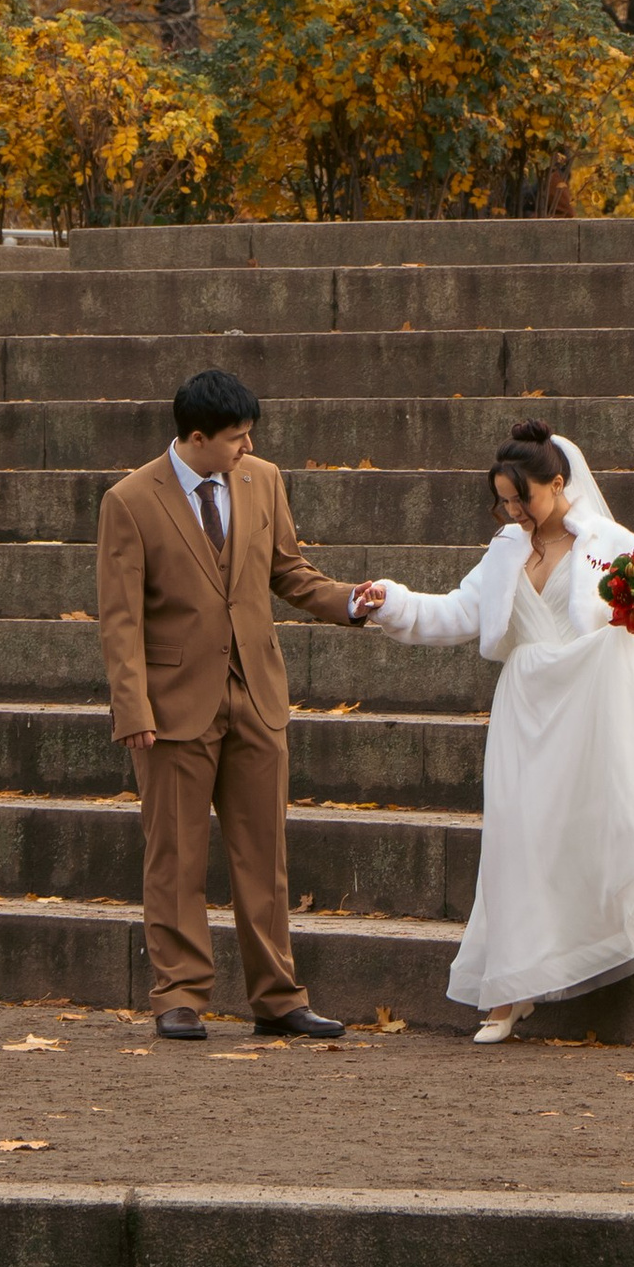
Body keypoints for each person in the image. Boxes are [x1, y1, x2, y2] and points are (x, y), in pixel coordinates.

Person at [365, 426, 634, 1045]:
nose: (514, 512)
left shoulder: (611, 542)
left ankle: (599, 935)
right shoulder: (505, 550)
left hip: (588, 700)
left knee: (593, 823)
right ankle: (511, 990)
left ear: (558, 483)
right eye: (503, 502)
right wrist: (392, 601)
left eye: (523, 499)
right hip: (526, 706)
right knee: (516, 836)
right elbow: (460, 612)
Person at [95, 365, 384, 1041]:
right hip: (172, 706)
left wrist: (349, 601)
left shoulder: (264, 480)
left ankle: (279, 998)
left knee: (264, 856)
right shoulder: (129, 500)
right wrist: (132, 708)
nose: (248, 447)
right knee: (175, 857)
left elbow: (289, 571)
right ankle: (178, 995)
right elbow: (119, 617)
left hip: (257, 692)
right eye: (236, 437)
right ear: (197, 438)